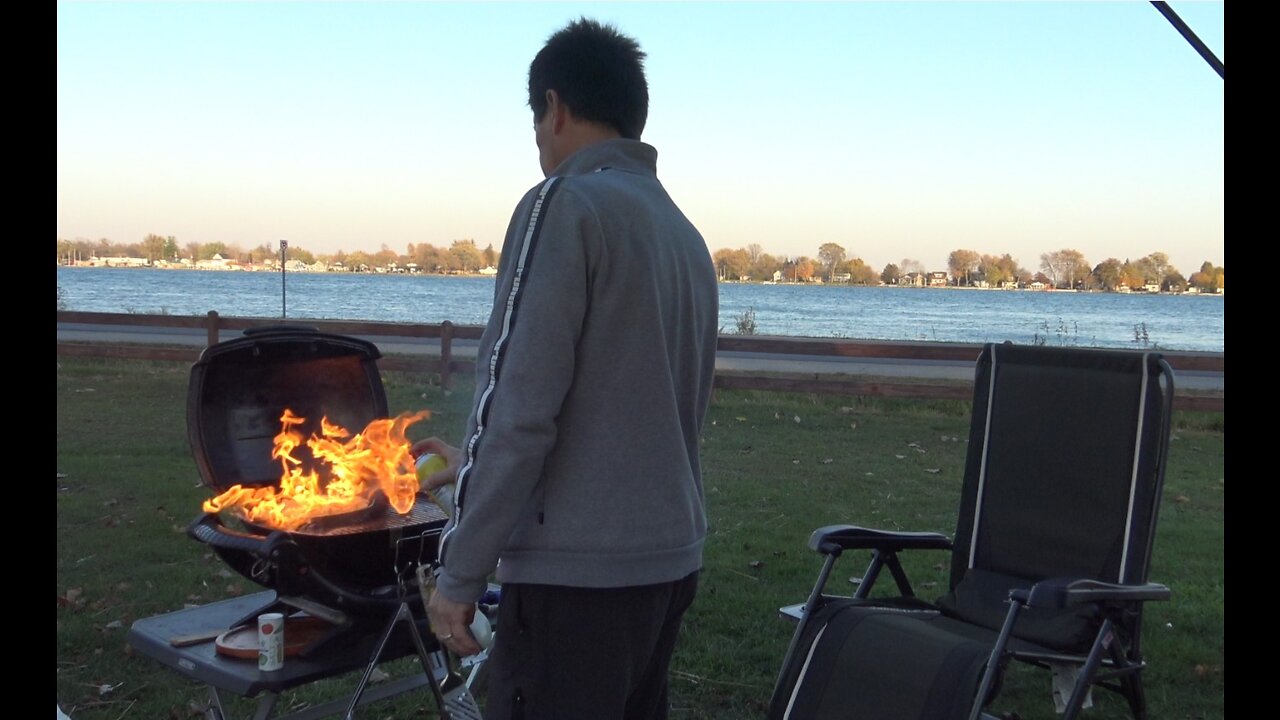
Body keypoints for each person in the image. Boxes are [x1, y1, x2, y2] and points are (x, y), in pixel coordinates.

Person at [413, 16, 719, 720]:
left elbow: (517, 403)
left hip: (575, 582)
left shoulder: (565, 204)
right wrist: (473, 465)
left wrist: (459, 575)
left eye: (535, 120)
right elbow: (633, 409)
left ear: (553, 107)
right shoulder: (681, 233)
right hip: (666, 564)